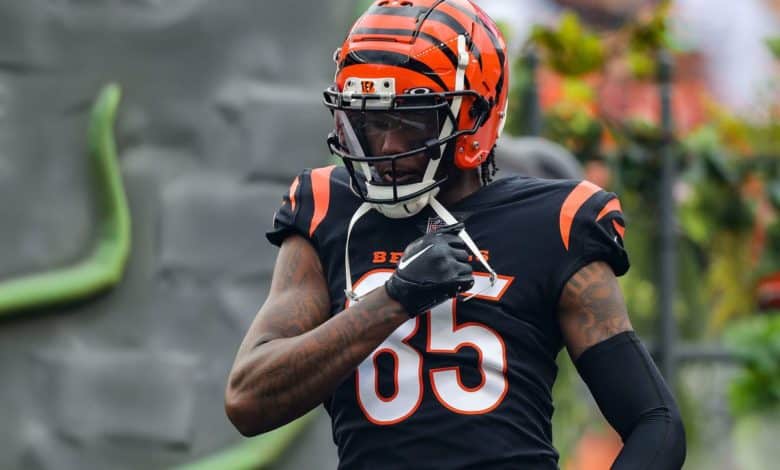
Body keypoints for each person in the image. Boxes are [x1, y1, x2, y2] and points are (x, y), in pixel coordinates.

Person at [225, 1, 686, 468]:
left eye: (410, 121)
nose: (386, 145)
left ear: (475, 115)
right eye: (373, 121)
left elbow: (656, 422)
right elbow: (247, 398)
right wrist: (394, 300)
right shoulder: (327, 206)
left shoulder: (555, 220)